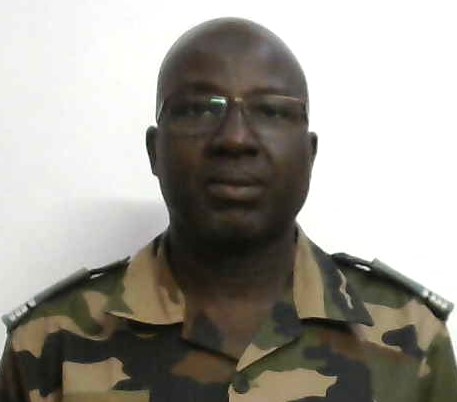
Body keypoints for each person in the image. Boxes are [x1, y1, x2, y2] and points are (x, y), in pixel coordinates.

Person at [1, 17, 456, 402]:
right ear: (155, 152)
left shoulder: (412, 339)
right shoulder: (49, 345)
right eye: (199, 109)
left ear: (310, 154)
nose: (235, 138)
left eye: (272, 111)